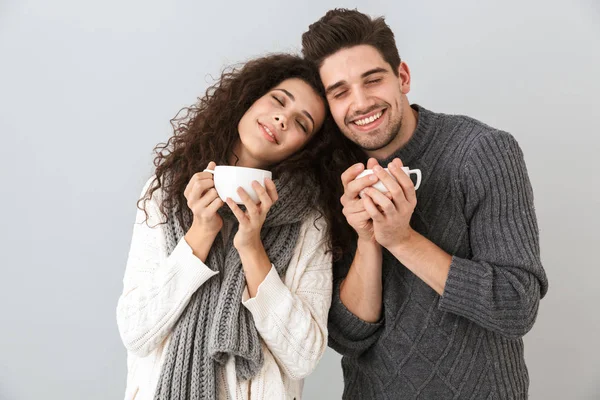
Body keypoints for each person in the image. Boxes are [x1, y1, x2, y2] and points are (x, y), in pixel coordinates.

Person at [302, 9, 549, 399]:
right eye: (340, 92)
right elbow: (348, 338)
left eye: (373, 80)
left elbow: (515, 306)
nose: (361, 102)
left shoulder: (481, 151)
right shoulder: (331, 175)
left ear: (402, 77)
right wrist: (369, 240)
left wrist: (401, 239)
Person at [116, 54, 343, 400]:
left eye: (302, 123)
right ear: (250, 98)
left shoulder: (309, 220)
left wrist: (252, 247)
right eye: (278, 101)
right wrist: (201, 232)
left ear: (307, 148)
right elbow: (137, 331)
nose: (283, 118)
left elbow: (303, 356)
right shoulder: (165, 192)